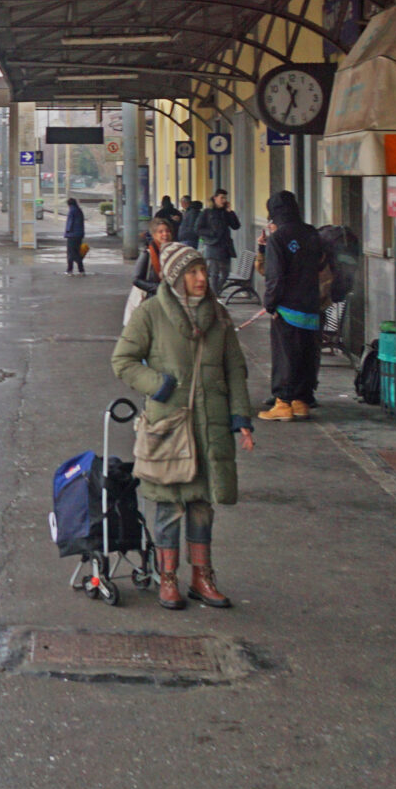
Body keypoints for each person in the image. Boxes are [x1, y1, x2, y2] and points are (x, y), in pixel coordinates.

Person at [112, 242, 257, 608]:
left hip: (210, 427)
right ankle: (168, 578)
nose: (201, 278)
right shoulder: (150, 314)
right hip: (170, 428)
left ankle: (202, 578)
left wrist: (241, 419)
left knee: (202, 505)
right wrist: (157, 385)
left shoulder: (219, 317)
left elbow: (235, 371)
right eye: (192, 272)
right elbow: (123, 360)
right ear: (176, 277)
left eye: (203, 271)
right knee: (168, 506)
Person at [257, 189, 327, 421]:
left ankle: (283, 403)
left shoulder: (279, 238)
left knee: (285, 355)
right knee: (307, 354)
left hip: (287, 308)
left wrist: (270, 304)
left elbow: (275, 276)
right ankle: (301, 401)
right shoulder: (311, 233)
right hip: (311, 305)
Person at [189, 189, 240, 284]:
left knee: (225, 273)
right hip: (213, 246)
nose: (224, 200)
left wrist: (230, 212)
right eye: (222, 198)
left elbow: (236, 226)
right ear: (215, 198)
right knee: (214, 274)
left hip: (226, 247)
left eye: (225, 198)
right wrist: (212, 233)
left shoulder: (225, 212)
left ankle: (215, 293)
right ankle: (215, 296)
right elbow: (197, 228)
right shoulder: (207, 212)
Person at [63, 197, 88, 274]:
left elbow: (69, 223)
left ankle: (71, 269)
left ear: (69, 204)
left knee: (71, 253)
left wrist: (67, 233)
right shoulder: (79, 210)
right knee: (76, 251)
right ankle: (79, 269)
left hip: (72, 235)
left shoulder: (71, 211)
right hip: (79, 235)